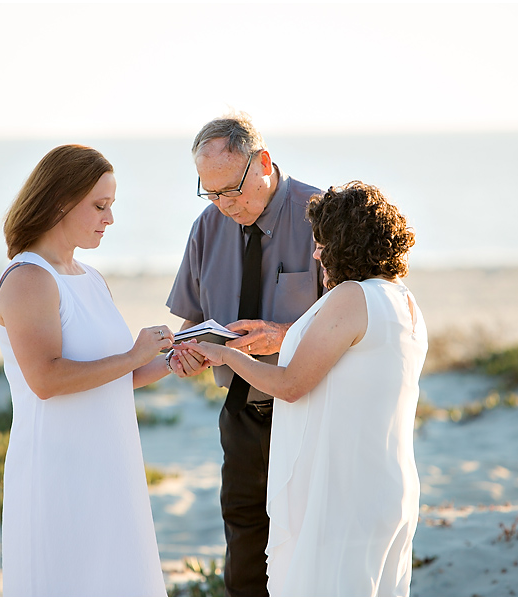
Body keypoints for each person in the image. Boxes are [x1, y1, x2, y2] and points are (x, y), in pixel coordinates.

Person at [180, 181, 428, 596]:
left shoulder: (352, 297)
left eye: (322, 242)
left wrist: (226, 356)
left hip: (344, 490)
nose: (316, 253)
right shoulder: (402, 298)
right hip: (384, 482)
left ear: (346, 243)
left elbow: (290, 384)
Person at [0, 144, 170, 596]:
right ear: (60, 202)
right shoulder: (28, 279)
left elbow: (114, 379)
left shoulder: (90, 278)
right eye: (100, 206)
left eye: (111, 206)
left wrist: (169, 363)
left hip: (112, 469)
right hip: (60, 476)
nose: (109, 219)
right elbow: (46, 379)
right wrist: (134, 354)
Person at [165, 113, 324, 596]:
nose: (224, 205)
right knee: (244, 545)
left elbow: (362, 314)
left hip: (312, 409)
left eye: (231, 190)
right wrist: (186, 352)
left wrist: (284, 334)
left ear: (264, 163)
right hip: (240, 412)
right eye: (210, 193)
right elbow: (189, 323)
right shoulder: (207, 227)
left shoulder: (322, 215)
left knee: (309, 540)